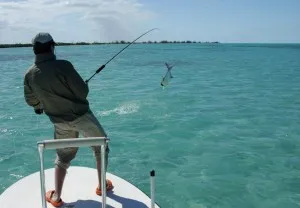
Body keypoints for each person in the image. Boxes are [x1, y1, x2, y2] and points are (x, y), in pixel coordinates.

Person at [23, 32, 113, 207]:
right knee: (101, 147)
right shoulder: (64, 66)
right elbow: (82, 92)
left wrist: (39, 106)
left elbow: (31, 100)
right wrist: (84, 85)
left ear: (34, 49)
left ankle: (56, 197)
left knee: (63, 157)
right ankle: (102, 186)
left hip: (59, 122)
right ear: (51, 47)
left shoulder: (29, 74)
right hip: (82, 116)